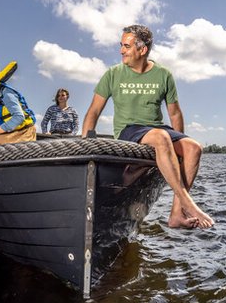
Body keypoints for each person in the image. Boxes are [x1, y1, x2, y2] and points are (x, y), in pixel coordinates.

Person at [81, 25, 215, 229]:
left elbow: (175, 113)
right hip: (129, 130)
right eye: (121, 45)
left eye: (126, 46)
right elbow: (93, 112)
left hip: (156, 128)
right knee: (161, 137)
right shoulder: (113, 74)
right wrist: (85, 145)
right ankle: (188, 202)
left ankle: (176, 214)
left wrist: (180, 149)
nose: (121, 50)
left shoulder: (164, 75)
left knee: (194, 148)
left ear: (142, 50)